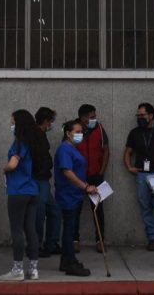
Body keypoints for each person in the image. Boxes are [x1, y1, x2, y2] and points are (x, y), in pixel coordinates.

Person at [124, 102, 154, 251]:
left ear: (151, 115)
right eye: (138, 115)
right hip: (141, 174)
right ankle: (152, 238)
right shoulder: (134, 133)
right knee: (145, 208)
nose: (139, 117)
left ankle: (152, 204)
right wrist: (129, 167)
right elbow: (127, 152)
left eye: (142, 115)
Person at [0, 109, 41, 282]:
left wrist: (4, 169)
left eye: (13, 122)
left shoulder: (19, 143)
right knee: (31, 229)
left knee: (17, 230)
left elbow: (13, 164)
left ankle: (17, 269)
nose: (11, 124)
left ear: (19, 124)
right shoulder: (33, 143)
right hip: (32, 190)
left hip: (18, 191)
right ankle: (33, 269)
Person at [54, 119, 95, 277]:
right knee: (69, 230)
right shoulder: (65, 149)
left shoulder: (73, 148)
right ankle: (69, 262)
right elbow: (67, 172)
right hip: (68, 195)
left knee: (71, 229)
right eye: (77, 132)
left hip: (74, 194)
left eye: (81, 132)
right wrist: (85, 187)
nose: (80, 135)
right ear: (68, 133)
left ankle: (66, 260)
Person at [74, 104, 109, 253]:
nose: (95, 119)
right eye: (92, 117)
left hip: (96, 175)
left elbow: (106, 150)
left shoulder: (99, 129)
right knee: (75, 209)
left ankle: (100, 240)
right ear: (83, 118)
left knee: (98, 209)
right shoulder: (74, 129)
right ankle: (74, 239)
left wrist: (101, 171)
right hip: (78, 177)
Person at [33, 106, 61, 257]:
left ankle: (50, 243)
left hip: (43, 179)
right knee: (40, 213)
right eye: (51, 121)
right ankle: (37, 245)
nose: (51, 125)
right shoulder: (37, 135)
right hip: (39, 179)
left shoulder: (39, 135)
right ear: (46, 121)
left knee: (54, 211)